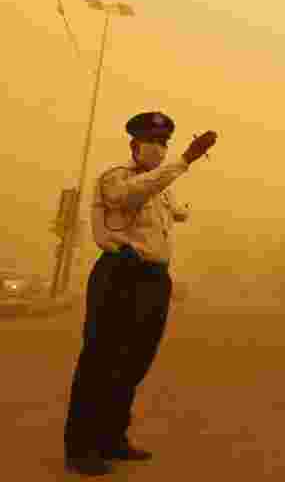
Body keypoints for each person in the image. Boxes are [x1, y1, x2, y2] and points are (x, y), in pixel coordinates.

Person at [63, 111, 217, 476]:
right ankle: (81, 447)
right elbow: (133, 195)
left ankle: (113, 437)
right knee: (100, 362)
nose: (159, 148)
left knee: (135, 362)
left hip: (153, 279)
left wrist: (184, 210)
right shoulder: (115, 178)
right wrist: (185, 160)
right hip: (121, 274)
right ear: (133, 144)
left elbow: (171, 210)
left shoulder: (160, 186)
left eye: (164, 143)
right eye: (152, 141)